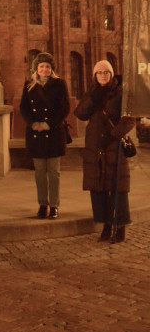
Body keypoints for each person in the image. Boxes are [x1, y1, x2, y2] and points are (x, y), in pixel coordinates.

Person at [74, 60, 135, 242]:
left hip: (113, 145)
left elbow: (129, 119)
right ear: (94, 75)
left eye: (106, 73)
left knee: (117, 187)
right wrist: (93, 97)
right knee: (99, 187)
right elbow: (80, 113)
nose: (102, 76)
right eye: (99, 73)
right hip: (95, 146)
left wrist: (112, 135)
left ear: (111, 74)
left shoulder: (120, 92)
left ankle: (120, 226)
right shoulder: (93, 92)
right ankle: (106, 225)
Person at [20, 52, 70, 219]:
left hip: (54, 132)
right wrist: (33, 124)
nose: (44, 69)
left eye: (47, 66)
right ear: (36, 68)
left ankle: (54, 205)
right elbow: (24, 108)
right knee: (40, 172)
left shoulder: (59, 84)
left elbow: (65, 108)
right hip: (36, 133)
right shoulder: (29, 85)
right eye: (41, 66)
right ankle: (43, 204)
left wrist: (49, 124)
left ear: (51, 69)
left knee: (54, 172)